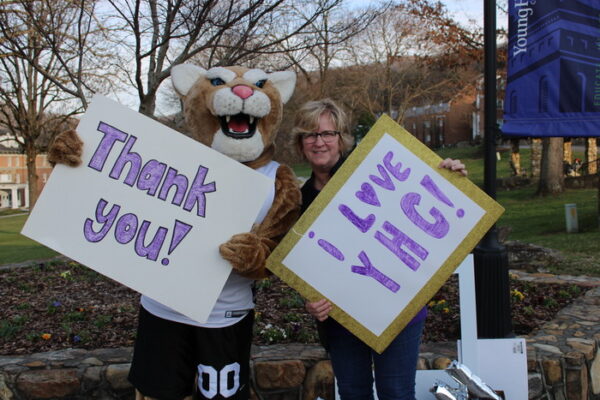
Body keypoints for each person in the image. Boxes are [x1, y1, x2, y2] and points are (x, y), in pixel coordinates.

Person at [292, 99, 467, 400]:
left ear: (341, 139)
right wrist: (309, 297)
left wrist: (449, 177)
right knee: (352, 393)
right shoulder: (298, 201)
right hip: (342, 317)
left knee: (396, 393)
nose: (319, 142)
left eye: (327, 134)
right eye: (310, 134)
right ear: (301, 142)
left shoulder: (372, 168)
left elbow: (424, 194)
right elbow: (302, 263)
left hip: (398, 308)